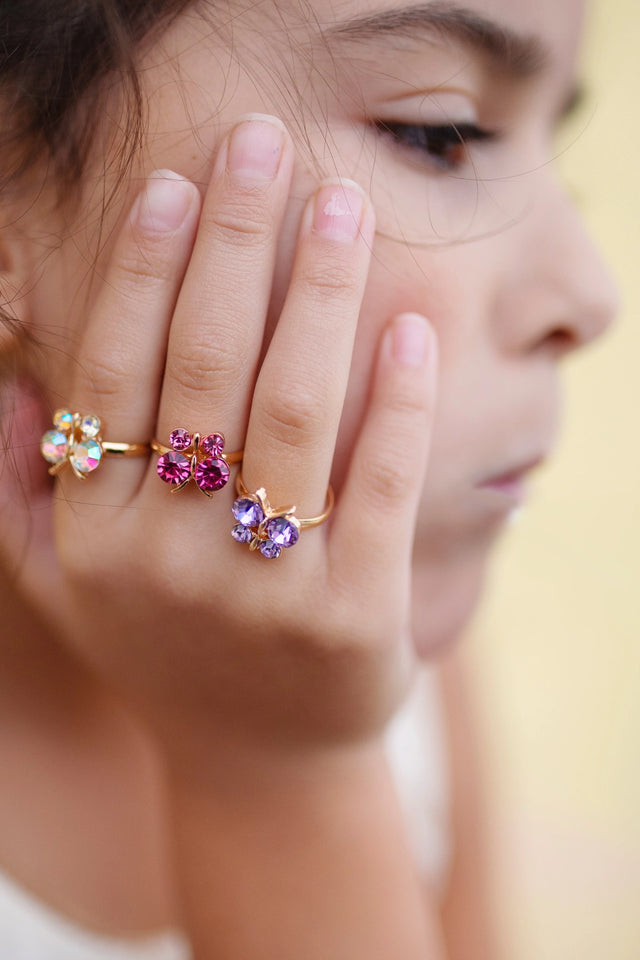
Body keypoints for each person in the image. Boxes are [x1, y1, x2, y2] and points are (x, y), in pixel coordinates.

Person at [0, 0, 618, 957]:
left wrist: (285, 763)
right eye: (441, 135)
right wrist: (271, 769)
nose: (590, 293)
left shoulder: (362, 639)